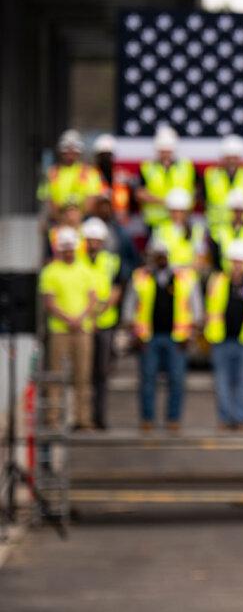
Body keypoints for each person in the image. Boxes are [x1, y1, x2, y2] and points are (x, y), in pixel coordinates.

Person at [122, 238, 202, 432]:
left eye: (162, 255)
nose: (160, 259)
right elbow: (129, 307)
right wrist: (133, 333)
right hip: (148, 337)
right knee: (147, 380)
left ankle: (173, 419)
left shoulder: (184, 277)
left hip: (177, 338)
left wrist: (192, 333)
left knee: (177, 380)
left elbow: (196, 307)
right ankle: (147, 418)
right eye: (156, 255)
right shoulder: (141, 277)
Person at [204, 239, 243, 430]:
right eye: (234, 261)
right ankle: (225, 418)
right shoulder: (217, 280)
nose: (237, 266)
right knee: (221, 381)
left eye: (240, 262)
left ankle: (240, 417)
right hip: (221, 338)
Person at [38, 227, 96, 430]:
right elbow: (49, 302)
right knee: (56, 374)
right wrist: (68, 319)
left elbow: (92, 299)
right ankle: (53, 418)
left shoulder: (85, 269)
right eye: (65, 249)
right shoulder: (51, 272)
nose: (69, 252)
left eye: (71, 248)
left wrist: (79, 318)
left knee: (83, 376)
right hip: (60, 330)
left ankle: (83, 419)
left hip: (82, 330)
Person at [82, 217, 128, 430]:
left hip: (105, 322)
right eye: (90, 240)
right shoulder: (78, 261)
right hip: (83, 323)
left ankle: (99, 417)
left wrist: (100, 310)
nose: (94, 244)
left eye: (97, 240)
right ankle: (83, 418)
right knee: (83, 373)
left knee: (101, 373)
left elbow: (117, 289)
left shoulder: (111, 261)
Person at [136, 126, 195, 230]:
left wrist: (184, 205)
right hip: (155, 221)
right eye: (163, 151)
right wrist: (166, 202)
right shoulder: (147, 167)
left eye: (168, 151)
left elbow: (196, 191)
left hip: (181, 221)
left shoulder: (187, 166)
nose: (165, 155)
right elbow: (139, 193)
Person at [39, 130, 102, 221]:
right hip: (58, 221)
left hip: (83, 220)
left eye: (73, 150)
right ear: (61, 151)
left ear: (79, 151)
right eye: (67, 150)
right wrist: (63, 220)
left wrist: (76, 218)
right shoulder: (51, 173)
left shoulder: (90, 172)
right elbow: (47, 200)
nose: (70, 154)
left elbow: (92, 200)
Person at [203, 135, 243, 227]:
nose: (231, 161)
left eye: (235, 158)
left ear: (241, 158)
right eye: (228, 158)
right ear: (222, 158)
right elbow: (204, 201)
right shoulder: (211, 176)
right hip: (217, 228)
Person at [204, 189, 243, 273]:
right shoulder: (220, 231)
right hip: (225, 273)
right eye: (235, 210)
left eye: (241, 211)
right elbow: (215, 256)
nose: (238, 214)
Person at [151, 188, 200, 269]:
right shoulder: (161, 229)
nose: (178, 215)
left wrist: (185, 268)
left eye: (181, 211)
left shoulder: (196, 230)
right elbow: (156, 256)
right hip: (167, 271)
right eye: (174, 211)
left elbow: (201, 258)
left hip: (189, 271)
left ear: (187, 212)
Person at [92, 134, 132, 221]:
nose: (106, 158)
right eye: (103, 155)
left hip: (120, 220)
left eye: (108, 154)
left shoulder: (122, 174)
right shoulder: (91, 174)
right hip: (98, 219)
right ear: (98, 156)